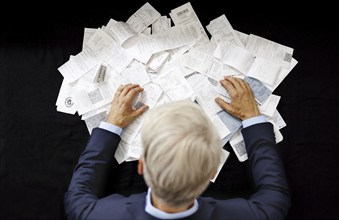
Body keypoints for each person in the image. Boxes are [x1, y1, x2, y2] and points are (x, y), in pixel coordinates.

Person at [64, 76, 291, 220]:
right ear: (213, 171)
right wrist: (252, 118)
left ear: (141, 165)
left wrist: (111, 124)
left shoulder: (93, 214)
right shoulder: (261, 214)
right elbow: (274, 195)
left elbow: (78, 196)